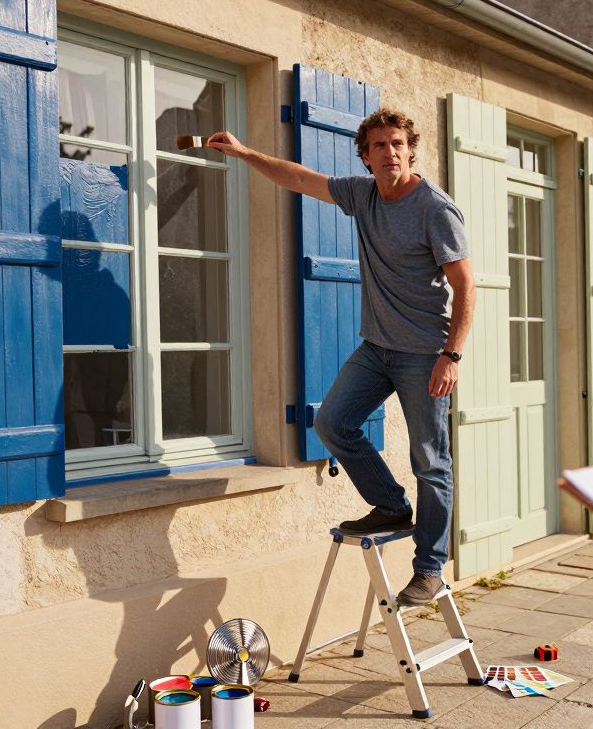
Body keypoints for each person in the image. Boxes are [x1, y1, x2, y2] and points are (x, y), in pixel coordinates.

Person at [202, 109, 475, 606]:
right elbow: (302, 178)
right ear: (366, 157)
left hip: (424, 353)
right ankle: (391, 505)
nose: (389, 153)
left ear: (410, 150)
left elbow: (464, 284)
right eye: (378, 146)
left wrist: (450, 355)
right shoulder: (362, 194)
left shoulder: (435, 209)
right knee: (332, 422)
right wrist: (244, 154)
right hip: (377, 347)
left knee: (430, 460)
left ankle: (430, 567)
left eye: (397, 144)